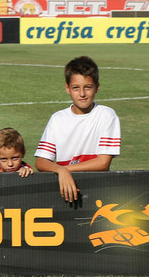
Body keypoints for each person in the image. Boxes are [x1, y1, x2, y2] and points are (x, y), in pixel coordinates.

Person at [35, 56, 120, 202]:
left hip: (97, 189)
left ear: (97, 87)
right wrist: (60, 171)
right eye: (76, 88)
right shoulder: (57, 119)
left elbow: (103, 163)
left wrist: (64, 170)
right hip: (64, 189)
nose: (82, 94)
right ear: (67, 88)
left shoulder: (106, 115)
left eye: (88, 87)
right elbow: (41, 162)